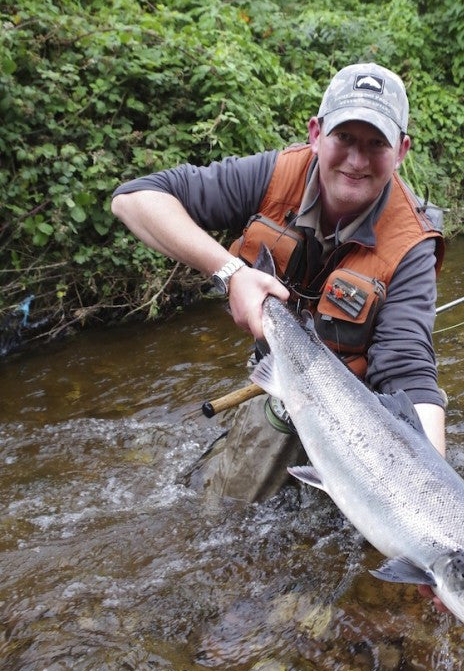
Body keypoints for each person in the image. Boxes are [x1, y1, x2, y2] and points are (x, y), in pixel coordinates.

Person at [111, 61, 446, 504]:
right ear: (315, 133)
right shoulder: (273, 176)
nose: (357, 160)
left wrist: (433, 496)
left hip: (360, 410)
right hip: (283, 381)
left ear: (401, 150)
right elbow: (133, 200)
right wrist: (231, 272)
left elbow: (408, 370)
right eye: (344, 137)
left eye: (376, 143)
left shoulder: (411, 243)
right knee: (224, 510)